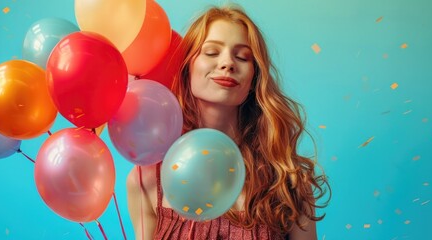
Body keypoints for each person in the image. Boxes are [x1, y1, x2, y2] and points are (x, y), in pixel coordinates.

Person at [127, 5, 330, 240]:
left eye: (243, 56)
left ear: (254, 78)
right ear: (186, 68)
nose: (227, 64)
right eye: (211, 52)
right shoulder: (147, 180)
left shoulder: (288, 182)